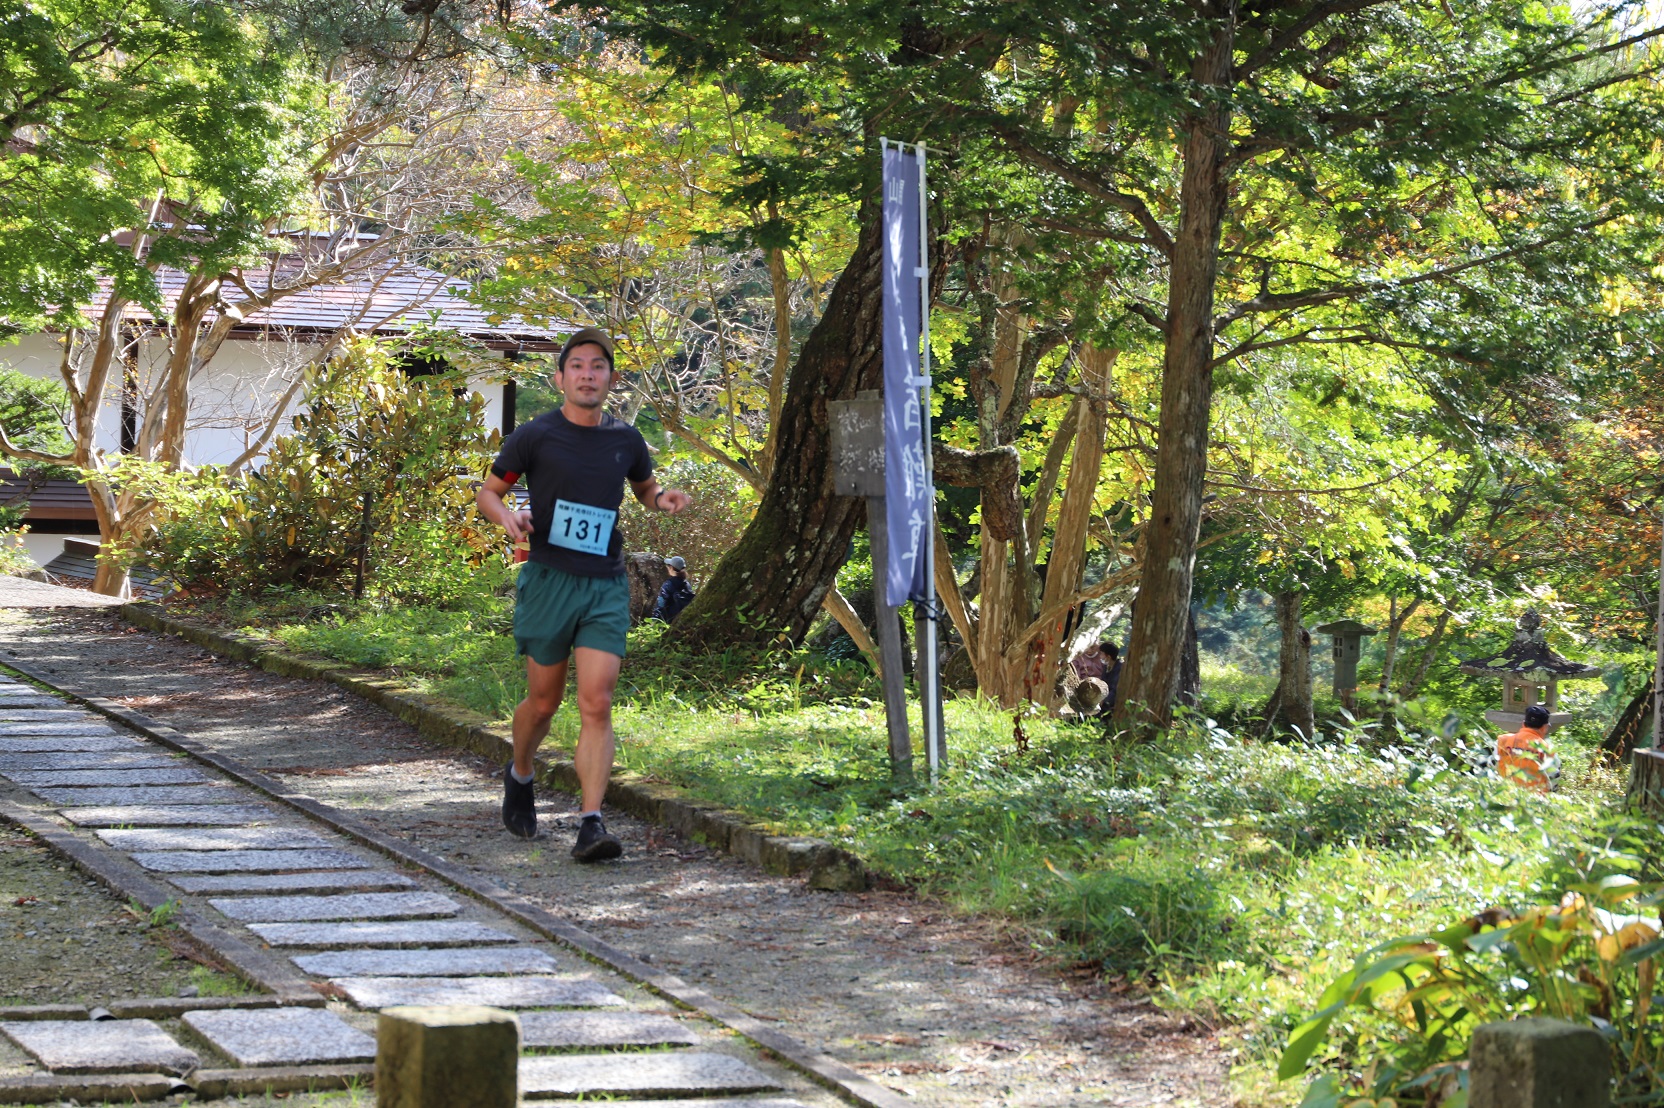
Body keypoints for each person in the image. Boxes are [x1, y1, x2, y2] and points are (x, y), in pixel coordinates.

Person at [475, 327, 691, 861]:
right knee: (544, 701)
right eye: (578, 366)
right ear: (560, 378)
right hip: (549, 578)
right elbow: (489, 491)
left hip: (604, 583)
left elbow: (643, 488)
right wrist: (508, 517)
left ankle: (591, 822)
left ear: (611, 379)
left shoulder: (626, 440)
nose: (588, 374)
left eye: (598, 367)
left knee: (597, 701)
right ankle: (520, 772)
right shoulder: (535, 435)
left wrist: (660, 499)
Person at [1495, 703, 1559, 793]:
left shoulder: (1502, 741)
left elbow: (1492, 767)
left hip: (1505, 797)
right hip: (1534, 802)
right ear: (1545, 727)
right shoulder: (1548, 750)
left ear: (1523, 724)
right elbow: (1553, 779)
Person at [651, 555, 695, 623]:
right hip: (684, 621)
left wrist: (654, 620)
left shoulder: (668, 584)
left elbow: (660, 604)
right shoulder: (687, 584)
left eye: (669, 566)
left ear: (671, 568)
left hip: (669, 622)